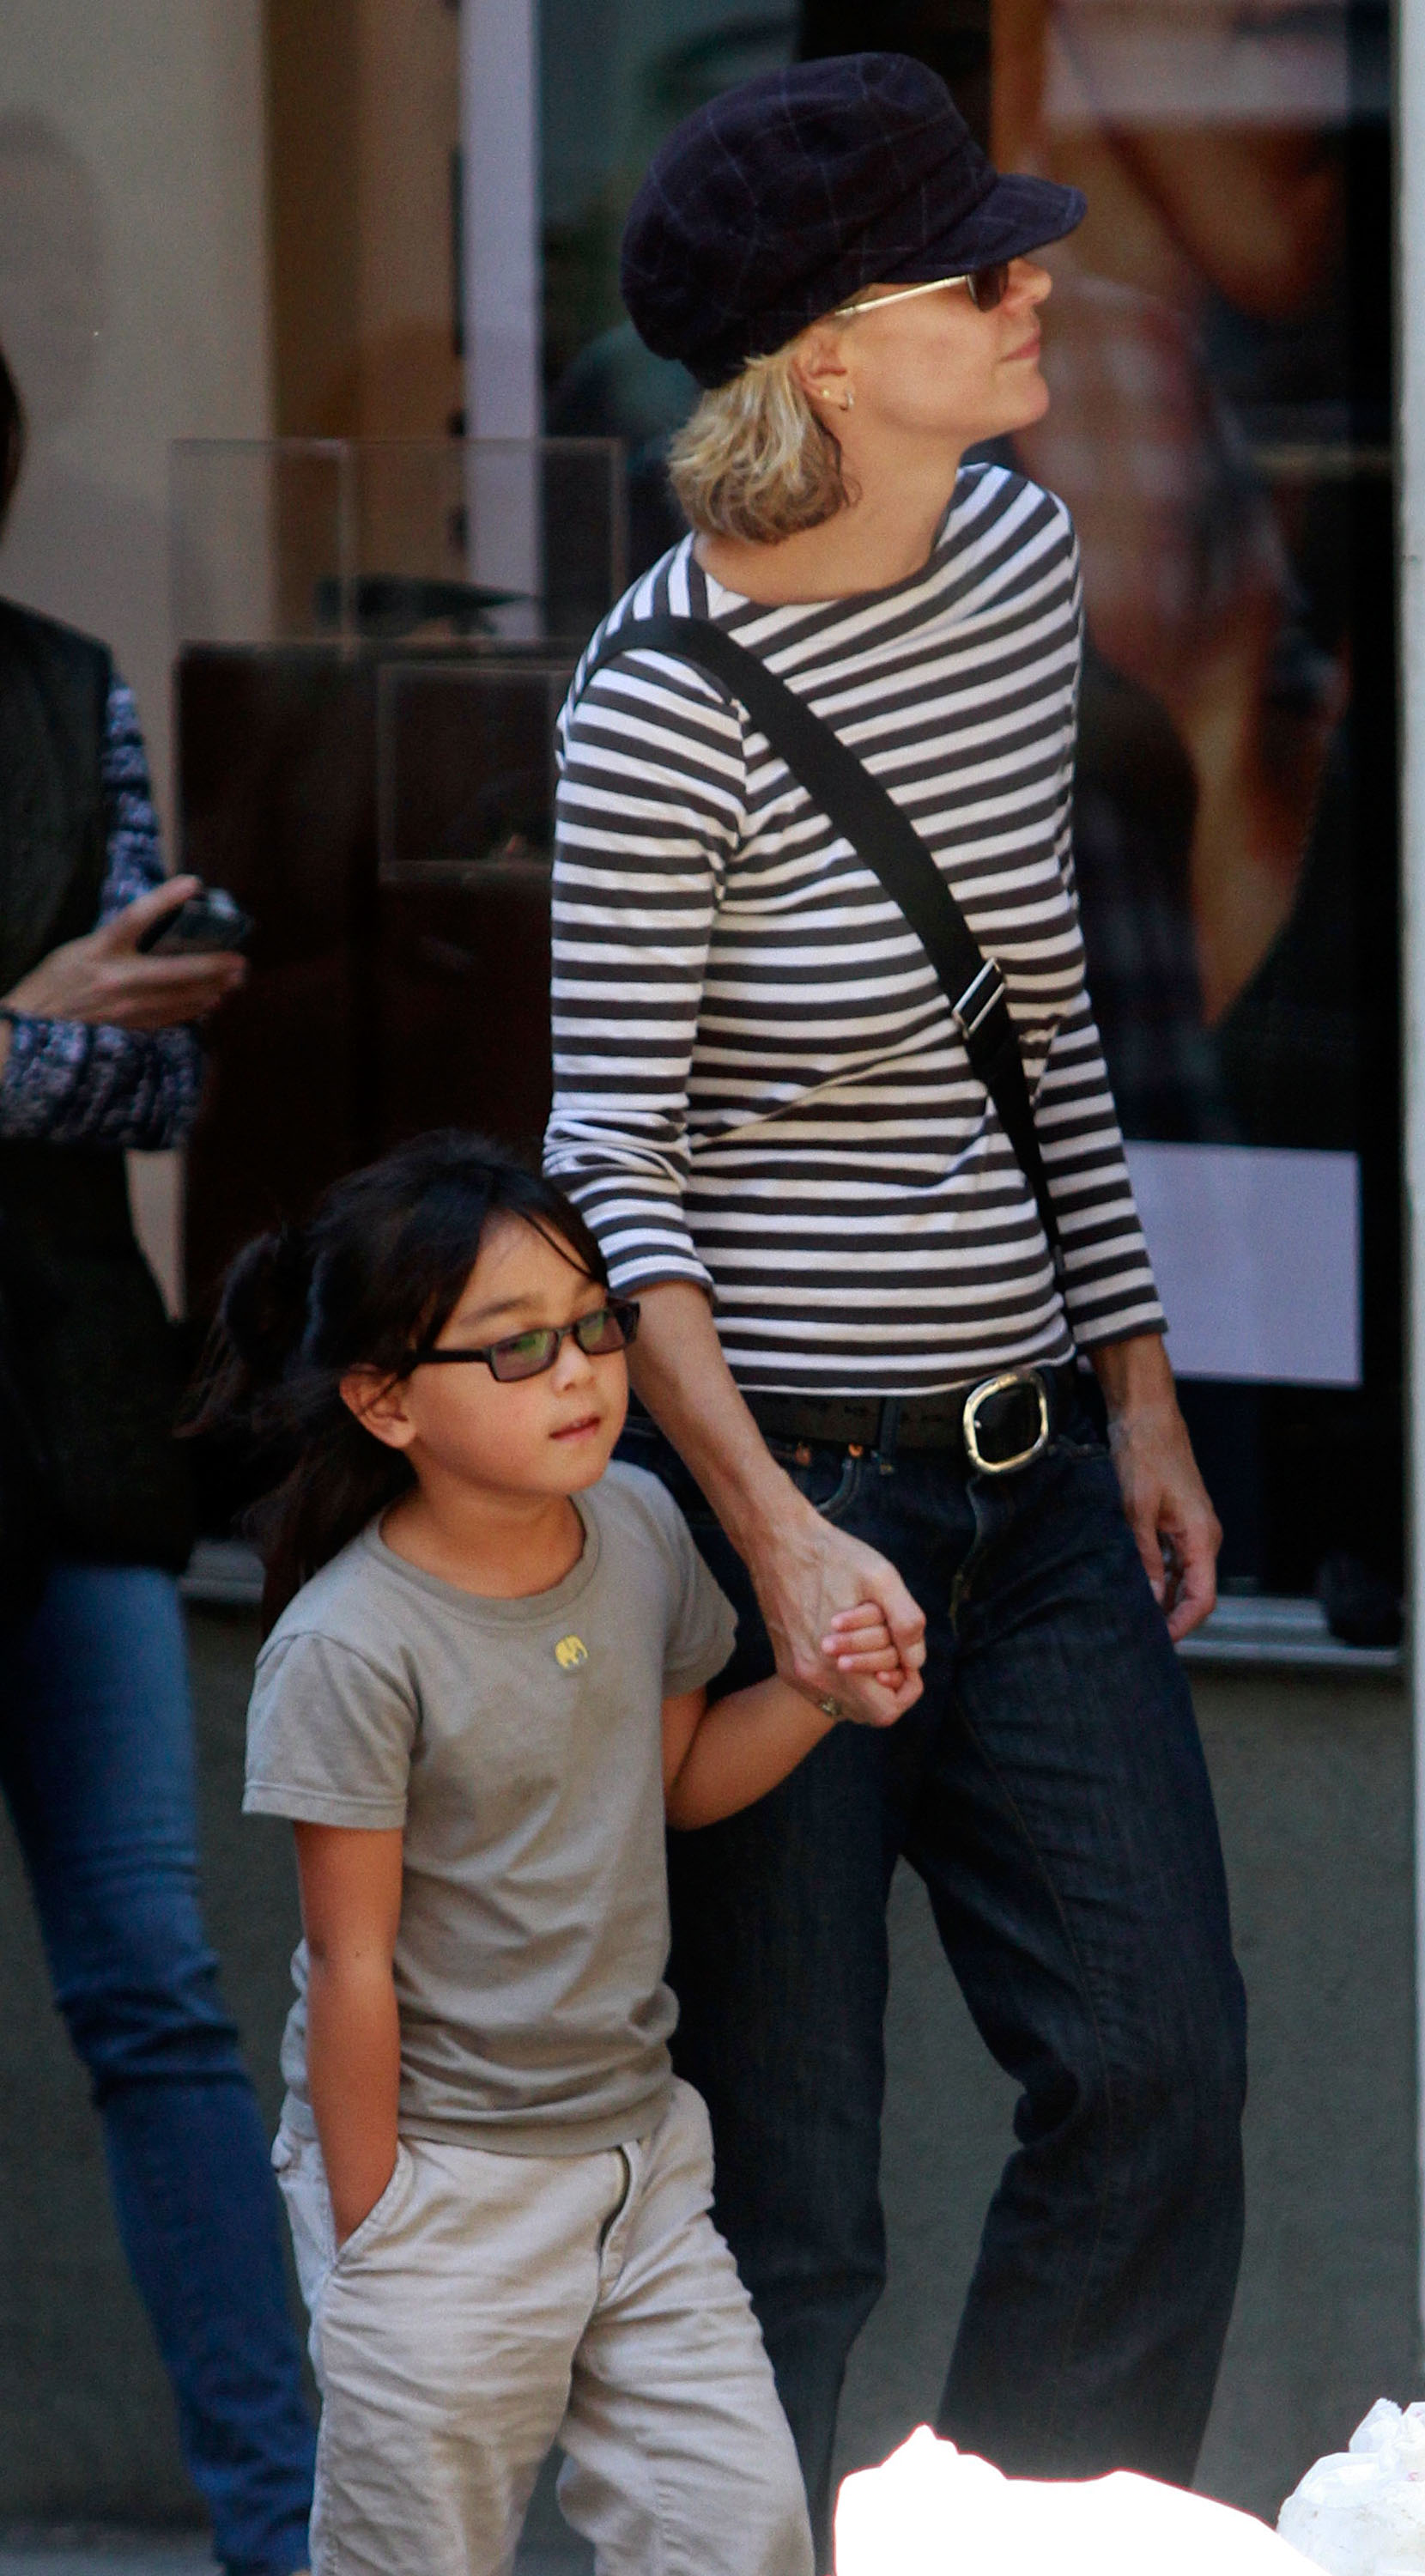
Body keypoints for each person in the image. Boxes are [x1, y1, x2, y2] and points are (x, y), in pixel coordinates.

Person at [543, 51, 1248, 2568]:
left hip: (1034, 1464)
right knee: (791, 2209)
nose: (1033, 279)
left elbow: (1035, 997)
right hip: (777, 1511)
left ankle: (1006, 2546)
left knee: (1155, 2081)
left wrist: (1136, 1380)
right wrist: (764, 1530)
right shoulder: (653, 705)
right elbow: (607, 1155)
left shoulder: (1017, 566)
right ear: (827, 356)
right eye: (978, 269)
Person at [197, 1131, 903, 2576]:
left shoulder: (641, 1526)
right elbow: (349, 1962)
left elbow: (676, 1787)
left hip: (643, 2169)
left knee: (740, 2531)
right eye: (517, 1349)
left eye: (595, 1325)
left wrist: (826, 1690)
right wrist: (377, 2232)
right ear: (386, 1402)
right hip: (443, 2196)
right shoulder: (350, 1646)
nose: (580, 1372)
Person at [0, 344, 316, 2572]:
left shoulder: (60, 687)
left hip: (58, 1427)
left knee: (155, 1990)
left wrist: (67, 1039)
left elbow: (147, 1094)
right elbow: (57, 1058)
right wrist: (21, 1028)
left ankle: (294, 2529)